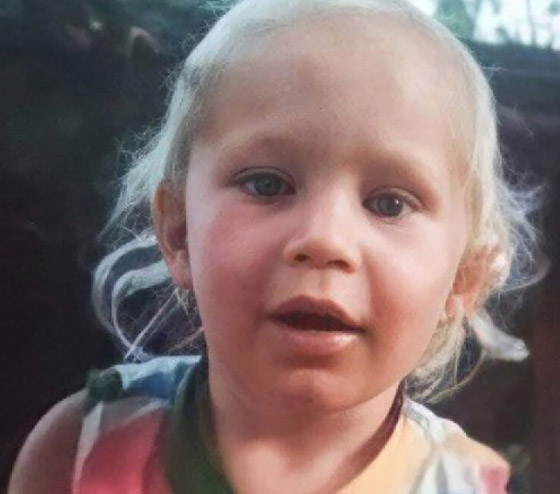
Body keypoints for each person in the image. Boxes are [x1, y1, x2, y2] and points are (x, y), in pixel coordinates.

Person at [9, 0, 544, 492]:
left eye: (389, 204)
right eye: (267, 184)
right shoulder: (81, 451)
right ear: (178, 233)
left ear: (464, 277)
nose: (324, 239)